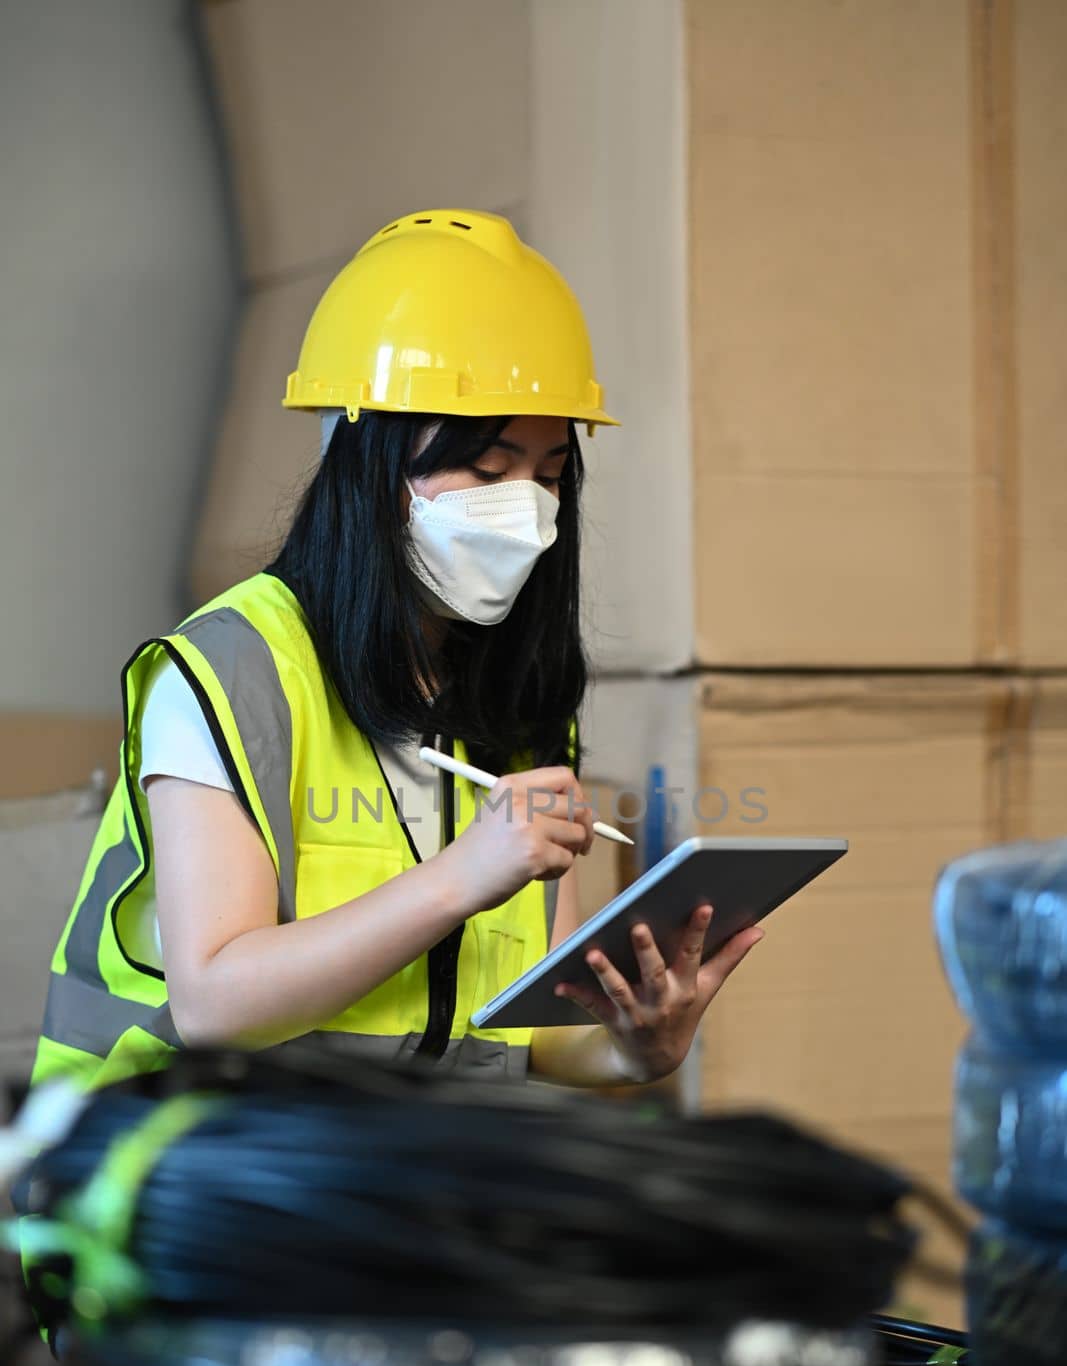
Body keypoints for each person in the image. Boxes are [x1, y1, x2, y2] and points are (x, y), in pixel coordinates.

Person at [32, 208, 762, 1093]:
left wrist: (636, 1045)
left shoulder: (514, 694)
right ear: (371, 466)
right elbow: (217, 1003)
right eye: (487, 471)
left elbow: (533, 1032)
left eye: (550, 473)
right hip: (181, 1169)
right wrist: (463, 877)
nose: (526, 508)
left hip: (393, 1167)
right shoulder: (234, 669)